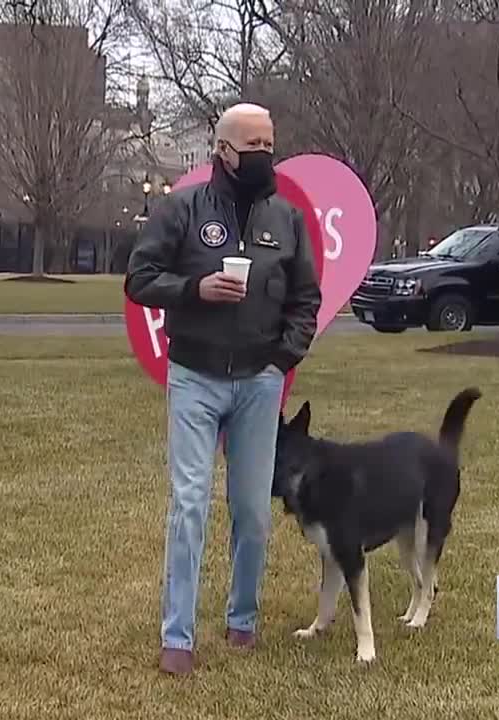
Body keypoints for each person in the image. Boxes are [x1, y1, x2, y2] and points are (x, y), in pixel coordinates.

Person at [125, 103, 321, 675]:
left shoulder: (286, 218)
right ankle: (177, 635)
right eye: (253, 143)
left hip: (260, 382)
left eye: (270, 142)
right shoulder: (182, 209)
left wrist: (283, 357)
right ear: (223, 151)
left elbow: (305, 298)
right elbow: (139, 278)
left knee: (253, 510)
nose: (265, 154)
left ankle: (243, 619)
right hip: (195, 378)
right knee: (189, 504)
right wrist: (195, 289)